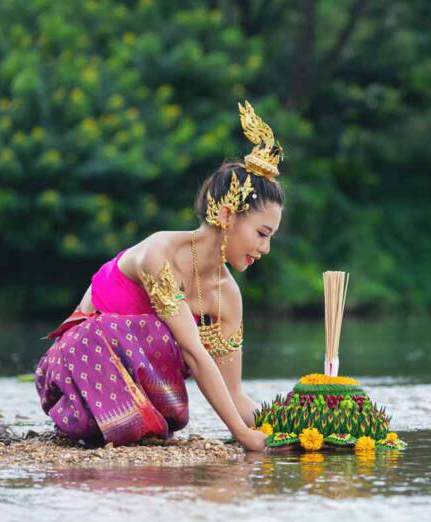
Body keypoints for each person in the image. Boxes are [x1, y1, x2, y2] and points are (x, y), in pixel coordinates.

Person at [33, 101, 284, 451]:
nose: (266, 248)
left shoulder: (228, 296)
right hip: (77, 379)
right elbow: (194, 353)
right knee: (158, 336)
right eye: (262, 233)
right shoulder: (159, 255)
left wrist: (292, 430)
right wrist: (243, 437)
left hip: (146, 398)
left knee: (167, 340)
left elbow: (235, 395)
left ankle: (140, 429)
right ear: (227, 215)